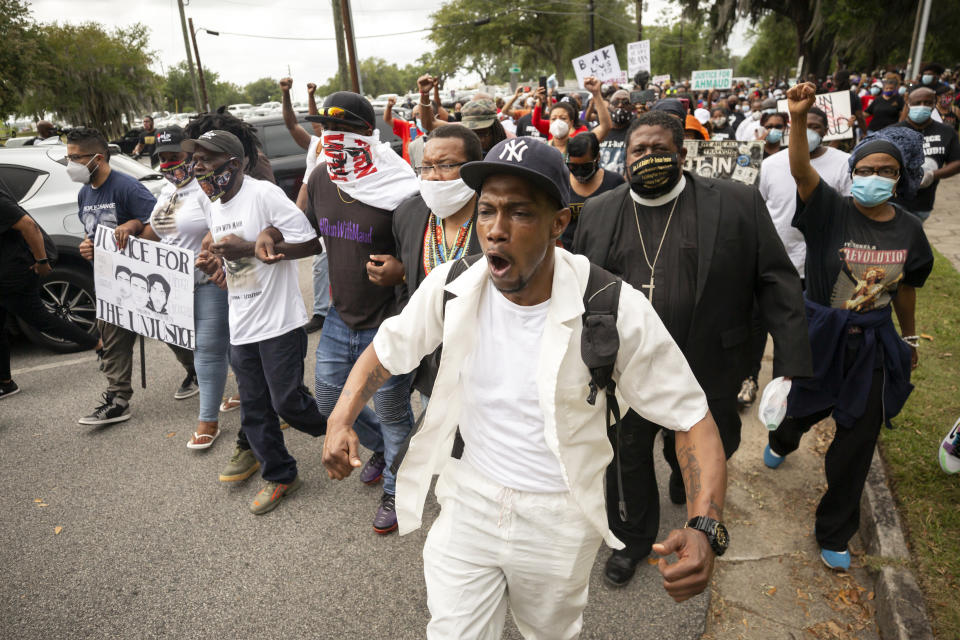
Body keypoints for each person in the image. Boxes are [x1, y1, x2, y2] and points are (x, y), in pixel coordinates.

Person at [321, 136, 729, 638]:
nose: (495, 230)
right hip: (468, 502)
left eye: (519, 213)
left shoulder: (611, 306)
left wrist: (705, 524)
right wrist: (342, 417)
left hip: (559, 518)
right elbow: (388, 349)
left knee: (549, 633)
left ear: (559, 223)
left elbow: (691, 418)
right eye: (487, 210)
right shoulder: (454, 284)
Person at [573, 110, 811, 587]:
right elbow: (579, 288)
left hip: (710, 364)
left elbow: (776, 280)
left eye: (661, 149)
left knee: (703, 449)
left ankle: (686, 491)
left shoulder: (736, 203)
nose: (649, 158)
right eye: (639, 150)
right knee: (626, 455)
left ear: (682, 154)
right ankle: (631, 539)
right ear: (626, 155)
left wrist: (789, 366)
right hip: (628, 369)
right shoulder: (600, 211)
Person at [766, 82, 933, 571]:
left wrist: (908, 337)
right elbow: (800, 169)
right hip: (823, 333)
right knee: (801, 409)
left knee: (858, 439)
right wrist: (797, 119)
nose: (874, 178)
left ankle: (835, 529)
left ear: (900, 179)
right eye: (864, 170)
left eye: (886, 171)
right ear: (850, 174)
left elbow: (906, 288)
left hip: (874, 342)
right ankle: (782, 439)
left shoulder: (909, 229)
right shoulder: (828, 211)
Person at [300, 91, 421, 534]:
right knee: (331, 401)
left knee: (391, 408)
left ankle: (397, 486)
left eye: (346, 130)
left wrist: (401, 272)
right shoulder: (320, 179)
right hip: (339, 315)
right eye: (328, 129)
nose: (334, 138)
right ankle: (385, 452)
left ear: (369, 134)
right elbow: (310, 237)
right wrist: (269, 242)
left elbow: (426, 255)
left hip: (387, 320)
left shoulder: (402, 186)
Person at [190, 130, 327, 513]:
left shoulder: (263, 194)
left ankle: (346, 430)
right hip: (242, 323)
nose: (197, 166)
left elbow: (311, 243)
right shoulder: (212, 202)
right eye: (195, 158)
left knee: (289, 403)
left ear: (233, 164)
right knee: (253, 409)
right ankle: (281, 476)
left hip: (279, 322)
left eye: (206, 158)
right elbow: (239, 266)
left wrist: (249, 246)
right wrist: (218, 265)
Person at [68, 127, 197, 426]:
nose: (70, 165)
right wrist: (88, 247)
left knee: (168, 332)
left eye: (75, 158)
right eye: (68, 158)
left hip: (144, 279)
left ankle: (197, 370)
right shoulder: (84, 193)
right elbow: (91, 233)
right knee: (112, 338)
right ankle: (118, 399)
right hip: (110, 283)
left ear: (97, 158)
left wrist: (134, 225)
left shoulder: (127, 187)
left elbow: (158, 228)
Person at [132, 125, 231, 450]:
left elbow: (225, 222)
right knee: (227, 343)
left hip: (207, 281)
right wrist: (127, 232)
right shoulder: (166, 191)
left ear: (192, 157)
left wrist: (211, 239)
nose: (168, 164)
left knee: (208, 347)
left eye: (175, 157)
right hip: (173, 288)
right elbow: (158, 232)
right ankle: (256, 389)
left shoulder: (208, 189)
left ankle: (208, 422)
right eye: (162, 157)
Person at [0, 179, 102, 399]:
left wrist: (42, 261)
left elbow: (29, 225)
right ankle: (5, 382)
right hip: (6, 270)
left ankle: (98, 344)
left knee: (40, 319)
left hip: (12, 272)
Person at [279, 76, 330, 334]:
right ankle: (324, 310)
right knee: (319, 262)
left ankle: (323, 312)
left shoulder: (337, 146)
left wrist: (311, 96)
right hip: (308, 212)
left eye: (322, 122)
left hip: (331, 211)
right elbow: (291, 122)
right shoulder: (313, 144)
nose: (318, 125)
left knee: (323, 261)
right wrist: (286, 93)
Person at [890, 86, 960, 222]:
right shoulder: (893, 132)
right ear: (909, 104)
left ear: (934, 104)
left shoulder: (947, 132)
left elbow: (957, 162)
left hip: (923, 204)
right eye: (917, 103)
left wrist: (934, 175)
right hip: (893, 200)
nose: (922, 106)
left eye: (927, 103)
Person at [565, 132, 624, 249]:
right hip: (569, 253)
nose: (579, 172)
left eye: (585, 167)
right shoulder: (562, 182)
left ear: (598, 158)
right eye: (573, 167)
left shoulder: (615, 182)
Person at [532, 77, 610, 155]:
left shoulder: (581, 142)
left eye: (563, 118)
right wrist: (539, 101)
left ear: (571, 122)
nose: (558, 122)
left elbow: (605, 127)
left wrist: (596, 93)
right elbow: (536, 122)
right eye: (553, 118)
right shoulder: (543, 151)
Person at [597, 89, 634, 175]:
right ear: (609, 106)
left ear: (632, 107)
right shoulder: (599, 132)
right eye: (615, 102)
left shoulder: (637, 132)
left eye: (625, 102)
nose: (620, 105)